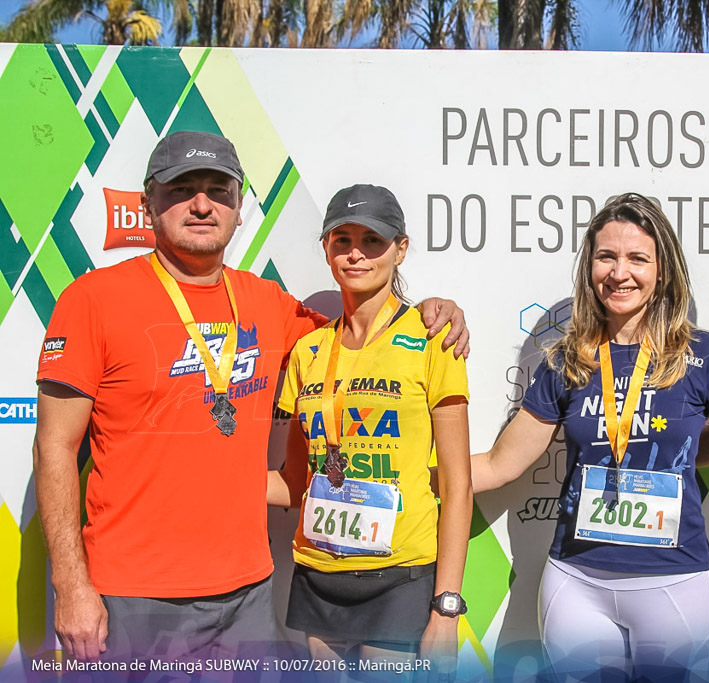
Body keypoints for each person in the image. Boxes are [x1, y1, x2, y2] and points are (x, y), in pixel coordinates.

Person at [32, 131, 469, 664]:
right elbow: (54, 446)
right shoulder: (92, 300)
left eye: (219, 190)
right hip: (132, 594)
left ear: (239, 209)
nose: (201, 204)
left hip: (246, 595)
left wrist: (431, 308)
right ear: (148, 205)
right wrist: (72, 586)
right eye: (181, 188)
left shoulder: (266, 304)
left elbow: (363, 335)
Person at [469, 193, 709, 681]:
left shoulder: (704, 354)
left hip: (675, 582)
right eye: (606, 256)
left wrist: (681, 455)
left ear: (664, 270)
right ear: (588, 266)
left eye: (638, 258)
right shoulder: (565, 360)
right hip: (576, 583)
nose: (620, 273)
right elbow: (499, 464)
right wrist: (411, 475)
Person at [267, 184, 472, 673]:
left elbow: (459, 485)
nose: (356, 253)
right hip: (319, 572)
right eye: (343, 239)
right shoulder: (307, 351)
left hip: (397, 575)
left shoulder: (433, 339)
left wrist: (446, 607)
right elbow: (296, 483)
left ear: (400, 249)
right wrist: (197, 481)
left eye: (373, 240)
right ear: (326, 248)